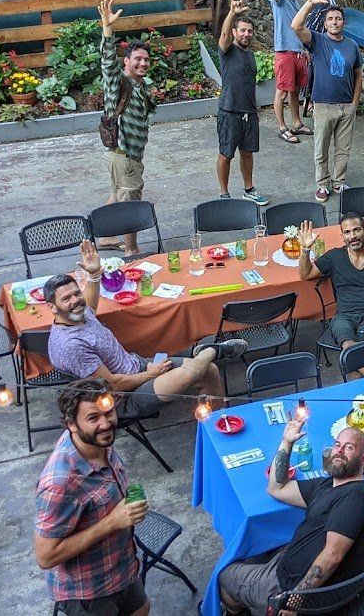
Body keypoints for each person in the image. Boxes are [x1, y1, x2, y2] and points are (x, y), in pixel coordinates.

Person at [44, 240, 241, 416]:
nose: (76, 301)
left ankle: (217, 422)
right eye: (66, 298)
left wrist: (94, 275)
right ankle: (212, 350)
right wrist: (151, 374)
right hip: (124, 397)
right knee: (193, 372)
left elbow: (90, 305)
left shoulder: (78, 314)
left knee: (210, 370)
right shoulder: (71, 345)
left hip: (138, 366)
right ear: (52, 307)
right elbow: (112, 384)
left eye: (77, 294)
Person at [219, 418, 364, 616]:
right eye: (337, 445)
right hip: (286, 567)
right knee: (254, 554)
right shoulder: (326, 485)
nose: (339, 451)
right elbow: (276, 488)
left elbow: (333, 555)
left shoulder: (355, 497)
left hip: (286, 587)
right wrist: (287, 442)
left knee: (224, 577)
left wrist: (294, 599)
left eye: (349, 447)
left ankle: (240, 610)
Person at [34, 378, 150, 616]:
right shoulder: (60, 483)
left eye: (108, 413)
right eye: (93, 418)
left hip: (122, 568)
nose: (105, 424)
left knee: (142, 609)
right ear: (71, 425)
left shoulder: (98, 442)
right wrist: (112, 522)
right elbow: (46, 557)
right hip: (88, 591)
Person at [296, 215, 364, 376]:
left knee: (359, 351)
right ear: (342, 236)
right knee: (348, 345)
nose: (352, 236)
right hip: (343, 316)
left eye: (357, 230)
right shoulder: (334, 256)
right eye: (347, 232)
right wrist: (305, 249)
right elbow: (305, 274)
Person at [292, 0, 364, 203]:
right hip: (323, 105)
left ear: (344, 22)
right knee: (321, 148)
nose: (334, 22)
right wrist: (310, 3)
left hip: (346, 106)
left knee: (343, 149)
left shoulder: (352, 45)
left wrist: (354, 104)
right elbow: (296, 26)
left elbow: (358, 75)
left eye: (338, 18)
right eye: (330, 19)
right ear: (325, 23)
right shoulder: (318, 40)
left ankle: (339, 182)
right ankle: (322, 184)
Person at [96, 0, 157, 256]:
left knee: (118, 194)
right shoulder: (118, 83)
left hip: (124, 156)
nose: (143, 63)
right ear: (126, 62)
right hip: (124, 156)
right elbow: (107, 63)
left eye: (146, 60)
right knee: (130, 202)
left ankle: (104, 237)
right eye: (137, 59)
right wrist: (107, 29)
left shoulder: (140, 86)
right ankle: (132, 252)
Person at [216, 0, 268, 206]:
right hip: (229, 111)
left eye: (249, 31)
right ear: (234, 32)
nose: (246, 34)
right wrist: (232, 13)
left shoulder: (250, 54)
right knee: (226, 154)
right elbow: (223, 35)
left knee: (247, 153)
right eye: (242, 30)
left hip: (249, 113)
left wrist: (254, 111)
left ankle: (249, 189)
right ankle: (224, 194)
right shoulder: (227, 51)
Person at [271, 0, 312, 144]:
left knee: (295, 91)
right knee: (282, 91)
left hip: (298, 53)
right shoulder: (279, 1)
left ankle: (297, 123)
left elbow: (299, 29)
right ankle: (282, 128)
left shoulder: (297, 3)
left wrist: (304, 48)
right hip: (284, 53)